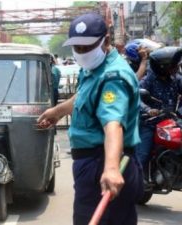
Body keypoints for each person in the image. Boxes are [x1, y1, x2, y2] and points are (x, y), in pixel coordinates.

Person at [37, 13, 142, 225]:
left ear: (106, 41)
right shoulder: (94, 69)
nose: (83, 53)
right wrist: (57, 112)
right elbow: (82, 97)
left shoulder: (113, 77)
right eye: (78, 48)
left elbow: (113, 124)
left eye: (88, 47)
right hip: (92, 166)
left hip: (103, 165)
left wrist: (111, 168)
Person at [135, 47, 182, 179]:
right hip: (150, 123)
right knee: (143, 154)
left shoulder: (175, 79)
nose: (176, 68)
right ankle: (137, 182)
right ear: (163, 67)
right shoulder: (148, 80)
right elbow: (136, 98)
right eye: (173, 66)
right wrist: (149, 110)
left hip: (171, 121)